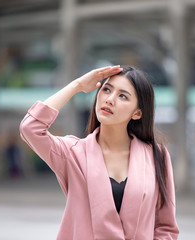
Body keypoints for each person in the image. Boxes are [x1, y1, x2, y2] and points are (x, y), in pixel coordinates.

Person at [20, 65, 179, 239]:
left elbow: (165, 228)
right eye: (106, 90)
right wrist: (77, 85)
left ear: (137, 113)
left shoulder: (156, 156)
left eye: (123, 96)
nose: (110, 99)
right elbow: (31, 128)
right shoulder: (73, 153)